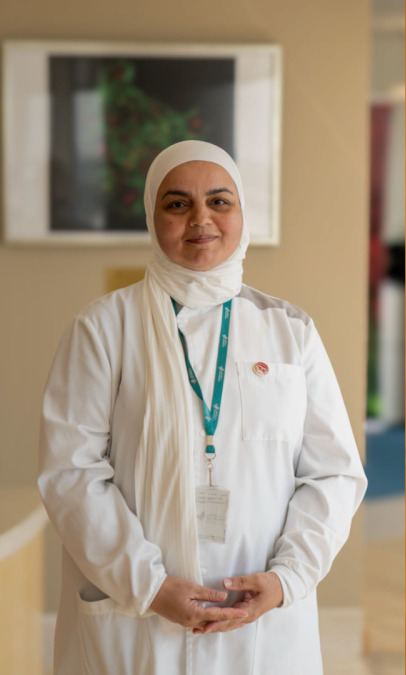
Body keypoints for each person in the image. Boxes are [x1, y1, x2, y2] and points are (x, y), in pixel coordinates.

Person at [39, 141, 367, 674]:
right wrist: (148, 585)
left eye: (220, 201)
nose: (201, 220)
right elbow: (70, 472)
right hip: (140, 617)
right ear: (153, 216)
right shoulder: (103, 328)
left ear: (241, 214)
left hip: (261, 620)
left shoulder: (290, 331)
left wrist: (287, 579)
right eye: (177, 204)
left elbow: (334, 474)